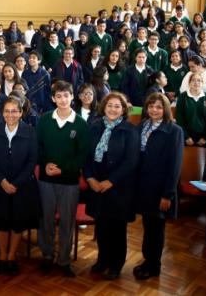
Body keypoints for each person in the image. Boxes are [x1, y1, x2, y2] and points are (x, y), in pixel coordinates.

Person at [36, 80, 89, 277]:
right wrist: (45, 164)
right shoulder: (44, 120)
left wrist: (63, 170)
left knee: (67, 221)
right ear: (53, 99)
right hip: (46, 179)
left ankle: (64, 260)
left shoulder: (80, 124)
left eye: (66, 95)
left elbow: (82, 155)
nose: (63, 99)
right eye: (58, 96)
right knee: (46, 219)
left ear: (72, 97)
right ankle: (47, 255)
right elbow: (38, 147)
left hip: (69, 181)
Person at [85, 91, 139, 280]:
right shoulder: (94, 127)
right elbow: (86, 155)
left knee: (117, 228)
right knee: (101, 226)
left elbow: (131, 161)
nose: (113, 109)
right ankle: (102, 260)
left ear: (123, 109)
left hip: (119, 187)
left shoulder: (130, 130)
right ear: (104, 107)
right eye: (110, 105)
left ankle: (116, 264)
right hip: (97, 184)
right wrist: (90, 178)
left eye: (117, 106)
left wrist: (111, 181)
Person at [0, 96, 39, 276]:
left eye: (14, 111)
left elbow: (32, 161)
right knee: (1, 222)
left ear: (21, 113)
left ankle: (11, 257)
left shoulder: (30, 132)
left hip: (21, 187)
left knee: (17, 222)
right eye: (7, 111)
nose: (10, 114)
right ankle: (2, 256)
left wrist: (16, 183)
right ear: (2, 113)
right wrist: (2, 181)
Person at [132, 93, 184, 280]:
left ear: (166, 109)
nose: (154, 110)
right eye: (151, 106)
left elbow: (175, 165)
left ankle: (154, 265)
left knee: (156, 228)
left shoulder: (174, 131)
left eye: (159, 107)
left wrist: (167, 194)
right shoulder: (141, 126)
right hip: (143, 187)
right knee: (148, 226)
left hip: (161, 189)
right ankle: (147, 260)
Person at [175, 72, 206, 147]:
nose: (196, 82)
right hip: (186, 136)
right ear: (189, 83)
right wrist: (186, 137)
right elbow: (179, 118)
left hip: (204, 137)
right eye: (193, 80)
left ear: (202, 83)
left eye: (199, 80)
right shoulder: (182, 97)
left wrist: (205, 137)